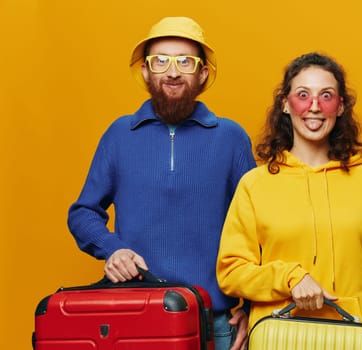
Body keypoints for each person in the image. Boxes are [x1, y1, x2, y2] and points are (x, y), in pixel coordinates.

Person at [216, 52, 362, 346]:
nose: (314, 106)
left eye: (326, 95)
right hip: (281, 338)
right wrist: (290, 278)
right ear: (285, 104)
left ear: (340, 107)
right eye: (303, 95)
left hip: (354, 339)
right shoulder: (255, 185)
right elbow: (232, 272)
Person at [68, 17, 256, 350]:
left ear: (203, 74)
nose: (172, 71)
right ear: (145, 72)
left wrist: (252, 309)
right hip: (135, 315)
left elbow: (259, 229)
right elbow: (82, 212)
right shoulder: (119, 134)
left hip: (214, 323)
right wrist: (113, 249)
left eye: (185, 61)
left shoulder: (231, 138)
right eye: (160, 61)